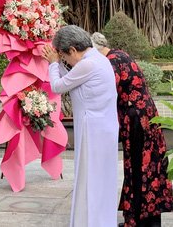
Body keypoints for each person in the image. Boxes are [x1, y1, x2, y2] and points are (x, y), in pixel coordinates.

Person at [92, 33, 173, 227]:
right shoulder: (120, 55)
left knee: (139, 167)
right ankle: (147, 219)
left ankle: (138, 220)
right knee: (150, 166)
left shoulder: (111, 62)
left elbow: (103, 93)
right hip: (146, 116)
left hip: (137, 119)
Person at [43, 26, 119, 227]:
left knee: (92, 179)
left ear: (73, 50)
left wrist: (52, 64)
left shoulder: (89, 65)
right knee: (96, 179)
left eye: (65, 57)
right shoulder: (95, 59)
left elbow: (58, 86)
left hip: (94, 129)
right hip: (99, 127)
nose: (66, 62)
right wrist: (56, 62)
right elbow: (68, 79)